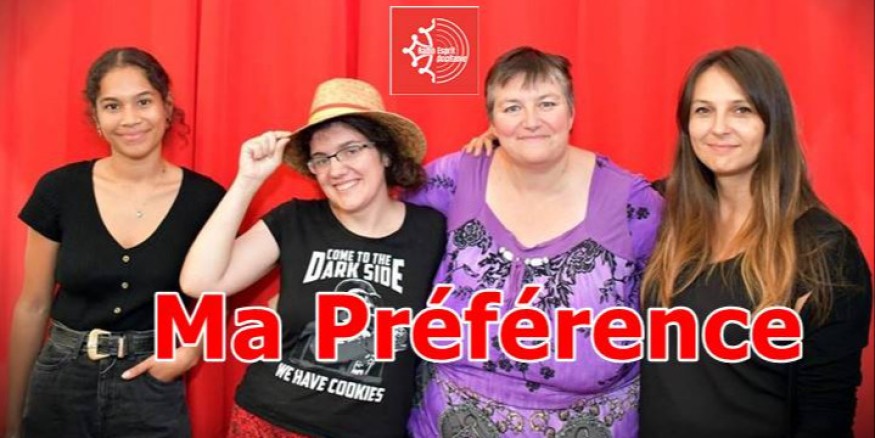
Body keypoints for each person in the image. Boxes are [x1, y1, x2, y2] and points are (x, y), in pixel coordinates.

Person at [406, 47, 663, 437]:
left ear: (571, 112)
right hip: (446, 423)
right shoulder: (456, 177)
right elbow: (382, 228)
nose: (531, 121)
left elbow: (680, 288)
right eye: (512, 108)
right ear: (492, 120)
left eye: (546, 104)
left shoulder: (631, 202)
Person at [179, 78, 446, 437]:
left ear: (385, 154)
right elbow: (199, 282)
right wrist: (248, 180)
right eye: (322, 159)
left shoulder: (431, 231)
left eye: (351, 150)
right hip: (267, 423)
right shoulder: (294, 220)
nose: (336, 170)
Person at [639, 46, 873, 437]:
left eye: (741, 110)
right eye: (703, 110)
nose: (719, 127)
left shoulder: (825, 249)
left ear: (772, 121)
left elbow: (826, 414)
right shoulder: (657, 212)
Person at [6, 47, 225, 437]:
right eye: (112, 106)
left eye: (143, 102)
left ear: (167, 107)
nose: (130, 119)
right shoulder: (58, 190)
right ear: (96, 118)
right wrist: (9, 419)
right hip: (60, 382)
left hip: (152, 383)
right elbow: (33, 304)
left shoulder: (206, 199)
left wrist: (192, 349)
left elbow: (218, 292)